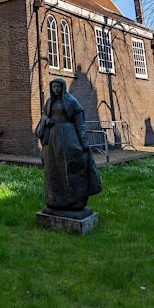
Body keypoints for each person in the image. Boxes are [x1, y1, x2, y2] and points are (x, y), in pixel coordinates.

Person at [35, 78, 102, 213]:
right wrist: (46, 121)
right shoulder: (49, 103)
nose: (56, 89)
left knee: (71, 166)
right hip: (52, 140)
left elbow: (80, 123)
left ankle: (74, 200)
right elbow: (43, 117)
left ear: (63, 87)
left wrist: (83, 142)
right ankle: (54, 199)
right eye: (53, 87)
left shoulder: (72, 102)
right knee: (52, 169)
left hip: (68, 138)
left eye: (58, 86)